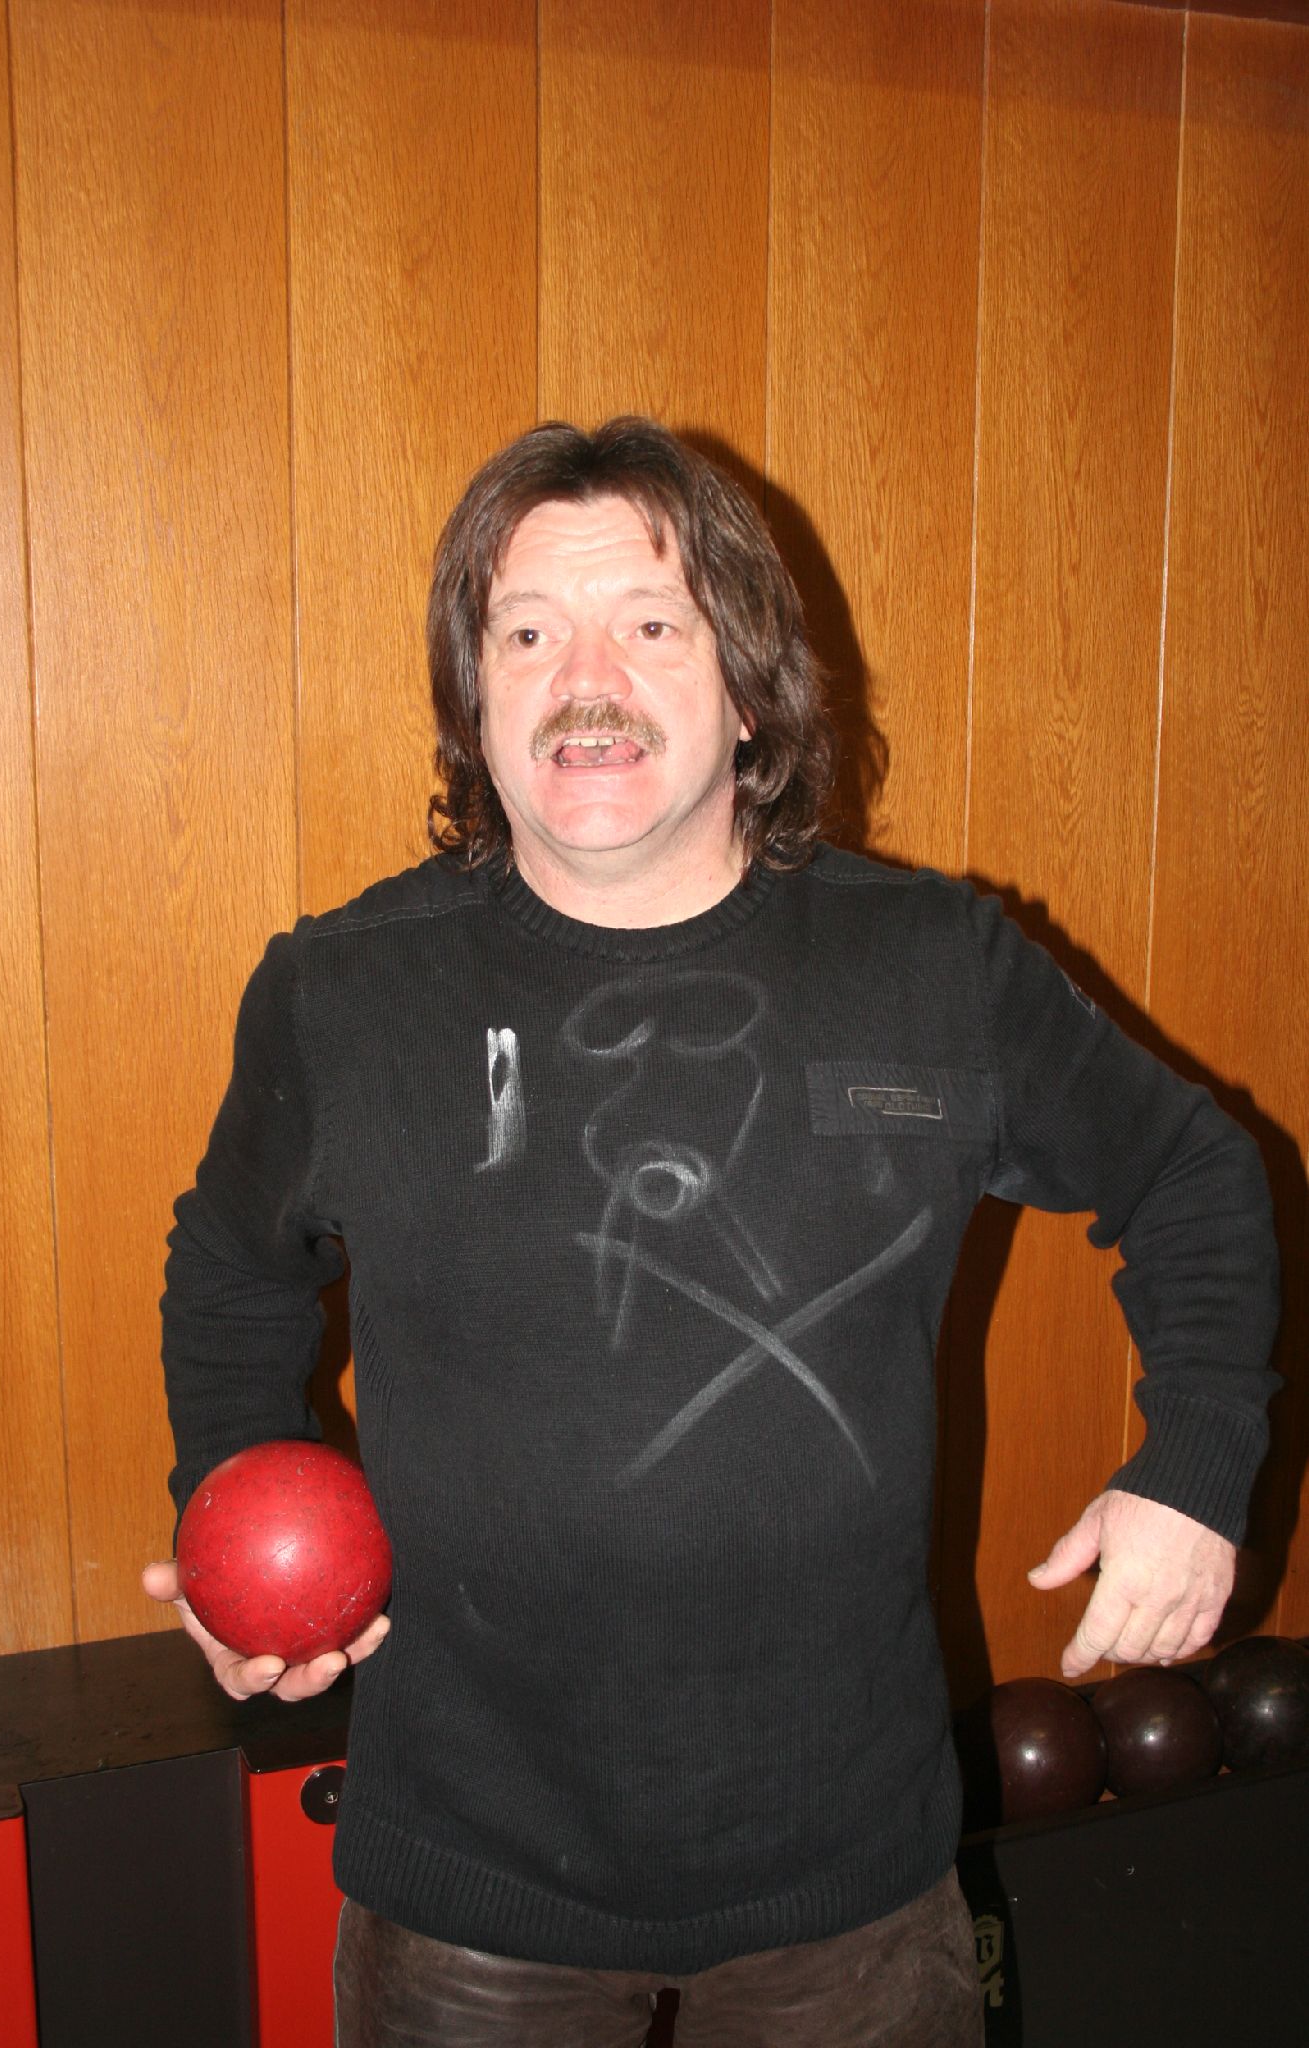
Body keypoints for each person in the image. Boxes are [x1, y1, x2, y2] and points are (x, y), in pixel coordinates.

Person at [147, 417, 1280, 2046]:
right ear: (472, 703)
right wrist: (228, 1513)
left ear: (749, 687)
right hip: (467, 1889)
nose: (582, 681)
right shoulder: (341, 993)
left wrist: (1192, 1466)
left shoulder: (935, 965)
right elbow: (229, 1276)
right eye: (524, 635)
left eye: (648, 625)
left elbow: (1188, 1171)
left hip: (847, 1887)